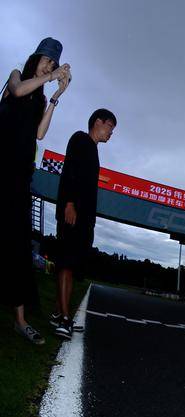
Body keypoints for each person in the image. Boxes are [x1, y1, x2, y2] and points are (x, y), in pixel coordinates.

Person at [0, 37, 70, 345]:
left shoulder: (40, 98)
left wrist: (56, 96)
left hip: (19, 179)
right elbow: (17, 90)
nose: (49, 66)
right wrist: (51, 76)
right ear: (35, 58)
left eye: (53, 64)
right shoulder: (17, 77)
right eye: (46, 60)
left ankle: (20, 320)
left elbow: (40, 133)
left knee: (17, 247)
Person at [51, 109, 116, 339]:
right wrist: (69, 203)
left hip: (85, 220)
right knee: (66, 264)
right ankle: (65, 319)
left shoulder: (94, 150)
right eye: (110, 126)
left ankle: (59, 313)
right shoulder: (80, 139)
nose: (111, 132)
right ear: (98, 122)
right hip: (72, 213)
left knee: (73, 265)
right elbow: (70, 170)